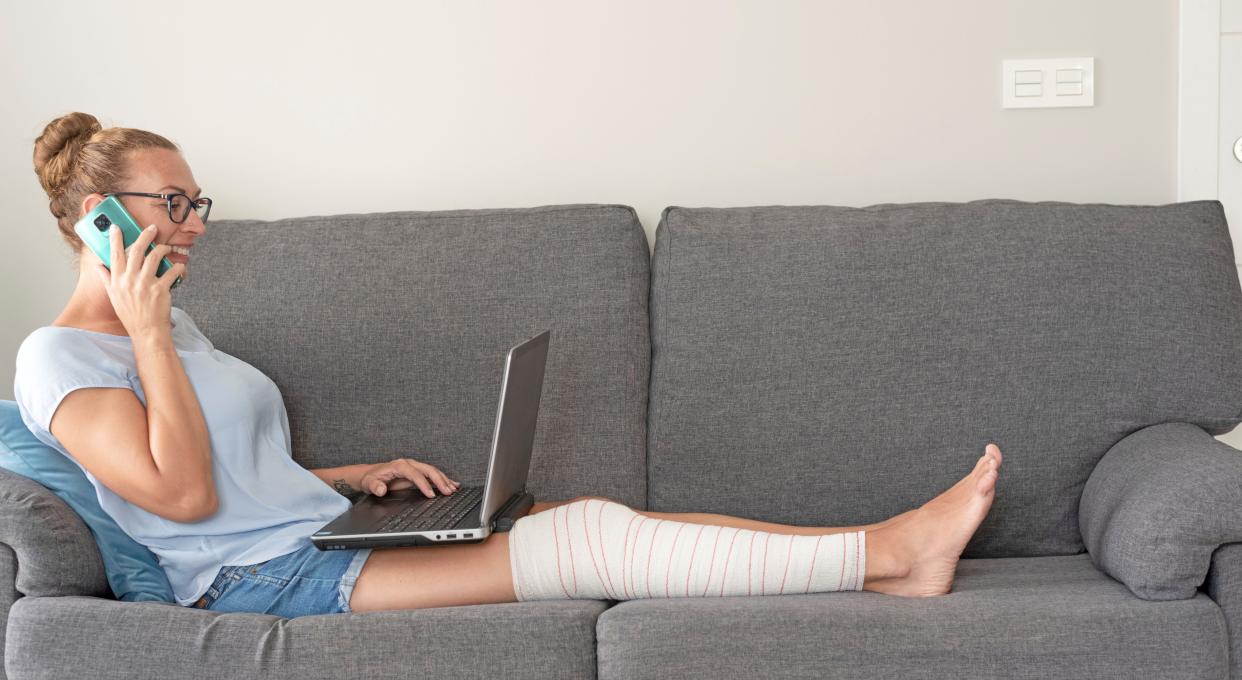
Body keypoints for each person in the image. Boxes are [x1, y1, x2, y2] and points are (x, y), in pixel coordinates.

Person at [14, 112, 1005, 619]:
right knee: (589, 542)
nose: (193, 227)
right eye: (171, 205)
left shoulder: (179, 335)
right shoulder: (57, 358)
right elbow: (180, 501)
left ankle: (881, 555)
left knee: (609, 521)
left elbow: (225, 475)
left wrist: (346, 478)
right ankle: (890, 556)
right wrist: (143, 333)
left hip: (314, 534)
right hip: (260, 584)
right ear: (90, 220)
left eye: (198, 204)